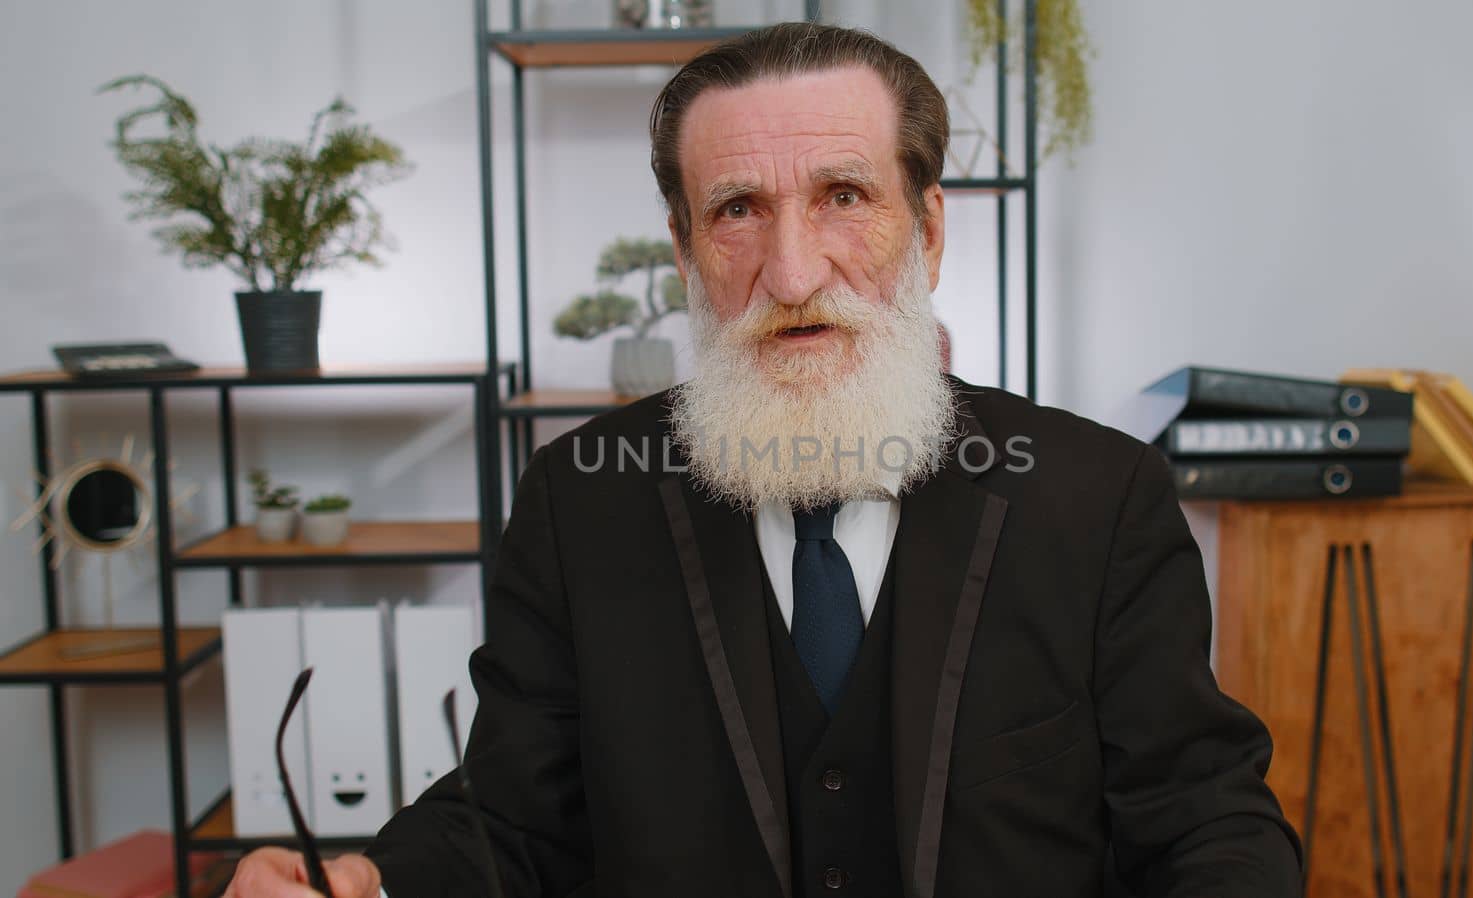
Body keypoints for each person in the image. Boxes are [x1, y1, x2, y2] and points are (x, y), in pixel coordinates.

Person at [225, 21, 1301, 898]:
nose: (791, 272)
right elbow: (519, 816)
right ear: (685, 246)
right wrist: (370, 880)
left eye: (843, 196)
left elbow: (1204, 820)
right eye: (738, 210)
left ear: (926, 229)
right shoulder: (577, 504)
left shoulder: (1097, 497)